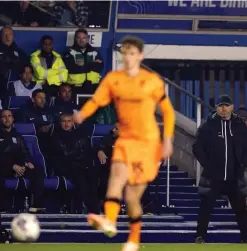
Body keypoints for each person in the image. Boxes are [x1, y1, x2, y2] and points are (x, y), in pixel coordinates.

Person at [73, 36, 175, 251]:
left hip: (147, 143)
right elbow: (96, 101)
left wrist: (167, 141)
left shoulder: (153, 81)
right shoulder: (113, 79)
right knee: (115, 179)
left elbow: (167, 112)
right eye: (124, 53)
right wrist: (82, 114)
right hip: (125, 141)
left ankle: (134, 239)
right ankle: (110, 220)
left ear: (140, 56)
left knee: (131, 195)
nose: (127, 57)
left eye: (131, 53)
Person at [193, 95, 247, 244]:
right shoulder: (208, 124)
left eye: (227, 105)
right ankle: (200, 237)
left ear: (232, 107)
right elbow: (197, 146)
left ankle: (246, 237)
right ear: (217, 108)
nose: (224, 108)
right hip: (213, 175)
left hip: (235, 175)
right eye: (221, 106)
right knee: (205, 208)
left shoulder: (239, 124)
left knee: (241, 209)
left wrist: (242, 166)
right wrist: (207, 165)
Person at [0, 109, 45, 213]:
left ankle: (36, 205)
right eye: (4, 116)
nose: (7, 118)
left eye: (9, 116)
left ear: (13, 119)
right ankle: (0, 207)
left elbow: (24, 152)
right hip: (3, 167)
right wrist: (12, 166)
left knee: (37, 171)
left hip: (19, 167)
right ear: (0, 119)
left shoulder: (17, 135)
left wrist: (26, 163)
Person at [51, 112, 99, 213]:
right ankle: (81, 207)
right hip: (64, 166)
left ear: (73, 122)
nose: (66, 124)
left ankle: (94, 209)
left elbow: (87, 151)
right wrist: (79, 153)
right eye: (64, 121)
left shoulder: (79, 134)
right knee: (80, 177)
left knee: (93, 174)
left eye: (69, 121)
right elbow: (65, 154)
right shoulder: (55, 136)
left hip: (80, 165)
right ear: (60, 123)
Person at [63, 28, 103, 94]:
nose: (81, 40)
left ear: (87, 39)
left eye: (84, 38)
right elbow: (72, 68)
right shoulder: (69, 52)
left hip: (93, 86)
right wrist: (92, 64)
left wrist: (81, 65)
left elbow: (99, 67)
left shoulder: (94, 51)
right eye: (79, 38)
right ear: (75, 39)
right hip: (75, 87)